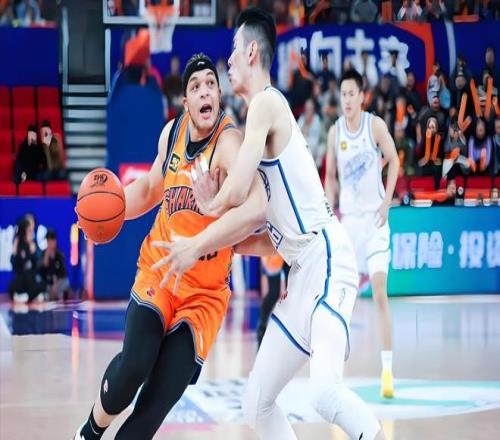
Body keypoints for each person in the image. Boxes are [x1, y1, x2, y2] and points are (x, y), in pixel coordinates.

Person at [159, 8, 383, 440]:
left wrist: (208, 207)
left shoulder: (266, 103)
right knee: (257, 401)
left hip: (327, 258)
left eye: (233, 50)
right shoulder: (257, 120)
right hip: (301, 270)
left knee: (324, 393)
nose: (228, 61)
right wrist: (227, 241)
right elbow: (268, 238)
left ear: (251, 52)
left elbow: (237, 189)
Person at [74, 53, 267, 440]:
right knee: (134, 366)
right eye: (196, 86)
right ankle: (90, 431)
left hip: (203, 296)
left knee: (156, 401)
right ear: (185, 101)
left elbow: (256, 208)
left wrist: (212, 230)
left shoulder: (229, 144)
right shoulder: (172, 134)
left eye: (211, 84)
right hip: (159, 272)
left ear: (219, 95)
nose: (205, 91)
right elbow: (148, 189)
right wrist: (107, 215)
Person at [325, 69, 399, 399]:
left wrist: (386, 202)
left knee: (380, 292)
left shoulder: (375, 126)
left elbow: (394, 160)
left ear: (362, 97)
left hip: (375, 222)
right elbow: (330, 176)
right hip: (349, 225)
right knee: (342, 300)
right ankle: (335, 375)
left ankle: (387, 372)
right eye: (343, 94)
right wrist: (328, 208)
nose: (347, 99)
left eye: (351, 93)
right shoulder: (335, 132)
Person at [39, 229, 70, 301]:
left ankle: (60, 297)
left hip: (59, 283)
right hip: (48, 283)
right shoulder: (44, 253)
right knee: (43, 288)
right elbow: (42, 270)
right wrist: (46, 256)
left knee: (65, 283)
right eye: (48, 241)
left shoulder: (59, 254)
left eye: (51, 241)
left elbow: (63, 274)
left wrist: (55, 285)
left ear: (55, 241)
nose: (50, 243)